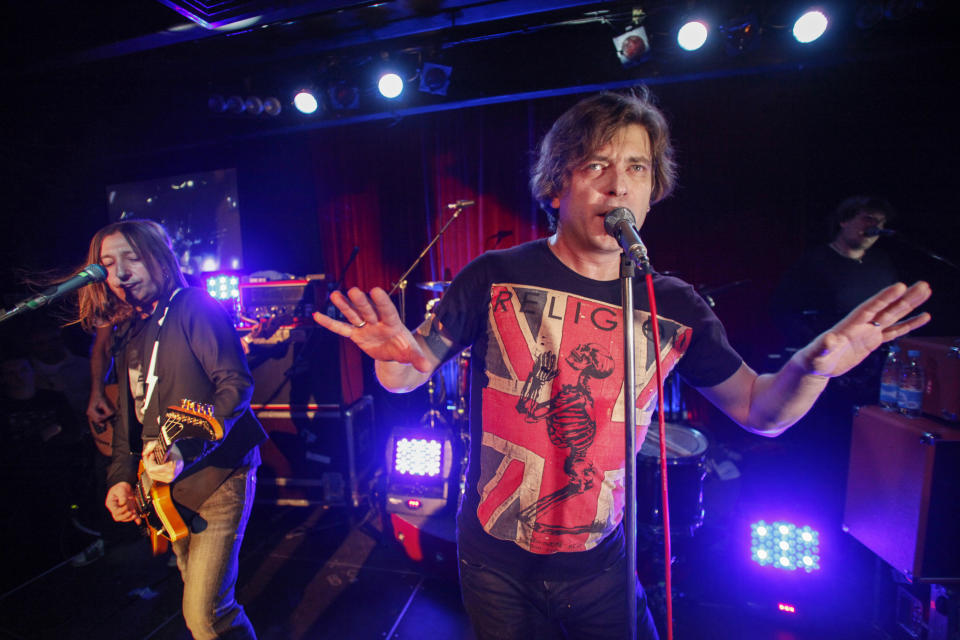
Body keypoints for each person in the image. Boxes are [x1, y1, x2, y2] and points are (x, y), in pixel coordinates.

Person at [313, 89, 931, 639]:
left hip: (605, 565)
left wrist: (812, 368)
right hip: (494, 561)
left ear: (653, 191)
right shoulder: (494, 275)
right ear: (558, 184)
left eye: (636, 167)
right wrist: (395, 362)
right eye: (597, 166)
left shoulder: (673, 303)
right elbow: (406, 371)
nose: (619, 185)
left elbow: (760, 410)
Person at [77, 219, 266, 640]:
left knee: (205, 615)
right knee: (198, 602)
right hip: (164, 490)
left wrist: (187, 449)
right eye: (108, 263)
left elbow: (236, 385)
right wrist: (121, 480)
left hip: (217, 476)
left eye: (131, 258)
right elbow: (132, 420)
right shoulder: (130, 328)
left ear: (159, 258)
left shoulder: (194, 306)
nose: (120, 273)